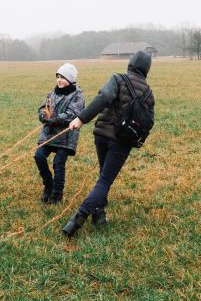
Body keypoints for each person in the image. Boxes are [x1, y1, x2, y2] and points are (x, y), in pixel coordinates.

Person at [63, 50, 155, 237]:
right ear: (147, 69)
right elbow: (149, 121)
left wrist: (81, 119)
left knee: (102, 177)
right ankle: (78, 219)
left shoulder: (118, 79)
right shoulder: (148, 93)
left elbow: (103, 98)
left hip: (101, 136)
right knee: (105, 180)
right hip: (122, 141)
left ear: (130, 64)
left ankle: (99, 214)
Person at [34, 63, 86, 204]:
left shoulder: (77, 96)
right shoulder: (52, 93)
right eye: (58, 77)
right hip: (49, 134)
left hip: (65, 136)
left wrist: (56, 119)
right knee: (39, 156)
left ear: (70, 79)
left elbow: (74, 114)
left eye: (63, 77)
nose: (59, 80)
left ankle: (57, 194)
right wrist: (43, 115)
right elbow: (43, 108)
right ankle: (48, 186)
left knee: (58, 163)